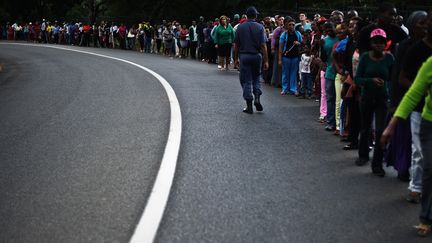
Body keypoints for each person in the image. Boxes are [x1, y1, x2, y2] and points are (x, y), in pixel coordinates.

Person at [381, 56, 432, 237]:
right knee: (429, 167)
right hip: (429, 123)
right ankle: (426, 218)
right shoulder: (430, 64)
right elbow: (413, 94)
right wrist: (391, 125)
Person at [397, 10, 432, 203]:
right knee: (419, 151)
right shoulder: (414, 49)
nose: (426, 25)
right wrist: (420, 89)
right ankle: (416, 186)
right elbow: (401, 77)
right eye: (424, 22)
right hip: (419, 108)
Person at [354, 28, 394, 176]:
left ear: (385, 44)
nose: (379, 45)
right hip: (366, 97)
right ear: (371, 43)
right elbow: (358, 79)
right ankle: (363, 155)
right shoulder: (365, 57)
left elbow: (394, 78)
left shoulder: (389, 58)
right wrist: (370, 81)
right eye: (376, 42)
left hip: (382, 99)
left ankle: (377, 163)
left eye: (381, 42)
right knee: (365, 128)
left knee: (380, 131)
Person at [234, 6, 269, 114]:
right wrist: (266, 60)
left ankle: (249, 105)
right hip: (256, 55)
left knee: (246, 80)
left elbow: (236, 45)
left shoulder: (240, 27)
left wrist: (235, 58)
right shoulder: (260, 27)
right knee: (256, 77)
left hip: (244, 56)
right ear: (255, 15)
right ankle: (257, 97)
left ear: (246, 15)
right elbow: (263, 45)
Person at [322, 22, 339, 131]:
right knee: (330, 98)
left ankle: (338, 124)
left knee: (339, 100)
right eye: (326, 30)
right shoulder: (325, 40)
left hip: (340, 71)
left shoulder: (340, 38)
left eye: (330, 28)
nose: (329, 31)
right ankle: (330, 122)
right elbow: (323, 58)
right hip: (329, 71)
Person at [279, 16, 302, 95]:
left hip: (295, 56)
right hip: (286, 56)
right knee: (285, 73)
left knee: (293, 73)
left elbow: (302, 44)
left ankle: (293, 88)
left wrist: (298, 43)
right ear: (286, 25)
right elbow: (281, 48)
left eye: (293, 24)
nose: (291, 26)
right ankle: (285, 88)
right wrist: (279, 59)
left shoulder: (298, 34)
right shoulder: (284, 35)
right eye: (290, 24)